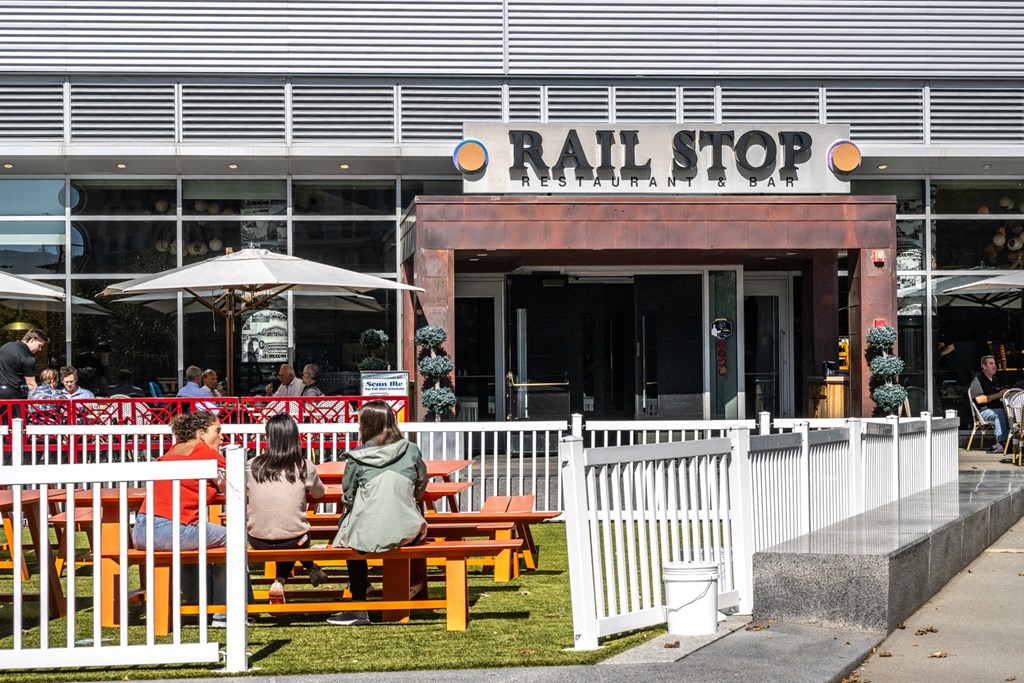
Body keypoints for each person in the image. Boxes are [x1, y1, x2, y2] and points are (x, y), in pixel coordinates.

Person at [328, 400, 427, 626]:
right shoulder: (411, 449)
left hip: (365, 539)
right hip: (409, 532)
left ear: (367, 425)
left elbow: (348, 497)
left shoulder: (356, 457)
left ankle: (359, 600)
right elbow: (421, 487)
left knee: (347, 531)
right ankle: (403, 590)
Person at [131, 411, 231, 623]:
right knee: (233, 538)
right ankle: (225, 611)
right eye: (218, 431)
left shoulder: (172, 451)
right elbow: (229, 484)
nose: (222, 437)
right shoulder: (207, 453)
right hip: (172, 531)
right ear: (202, 434)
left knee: (196, 540)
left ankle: (199, 603)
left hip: (141, 531)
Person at [246, 414, 329, 604]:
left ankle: (283, 579)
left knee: (284, 534)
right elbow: (319, 493)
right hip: (295, 540)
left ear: (268, 438)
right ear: (294, 437)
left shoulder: (252, 466)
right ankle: (303, 571)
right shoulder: (303, 466)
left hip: (257, 538)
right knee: (293, 537)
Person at [968, 355, 1009, 453]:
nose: (994, 365)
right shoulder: (977, 379)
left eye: (994, 363)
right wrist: (999, 394)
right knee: (1000, 413)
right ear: (984, 367)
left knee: (1012, 413)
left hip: (996, 408)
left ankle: (1012, 442)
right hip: (983, 411)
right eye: (991, 363)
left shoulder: (995, 380)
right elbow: (980, 399)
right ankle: (1001, 443)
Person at [0, 328, 48, 399]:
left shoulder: (5, 346)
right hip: (10, 395)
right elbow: (31, 384)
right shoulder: (28, 358)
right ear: (32, 340)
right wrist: (42, 401)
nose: (40, 349)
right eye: (39, 345)